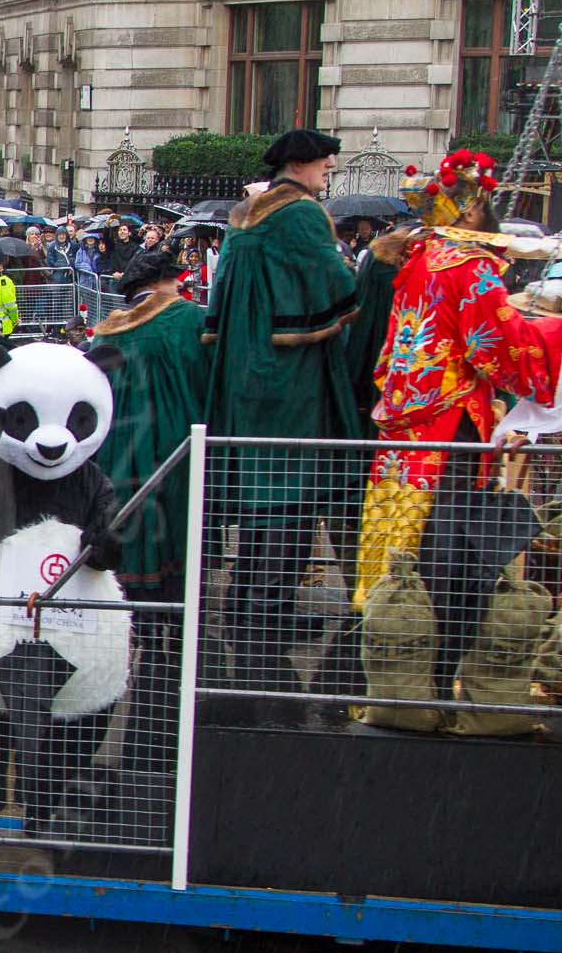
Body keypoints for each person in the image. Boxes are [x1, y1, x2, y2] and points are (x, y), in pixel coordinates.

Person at [357, 150, 562, 697]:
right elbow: (497, 346)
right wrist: (551, 334)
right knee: (443, 557)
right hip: (449, 425)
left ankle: (384, 667)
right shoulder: (469, 268)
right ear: (470, 210)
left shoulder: (420, 259)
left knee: (404, 547)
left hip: (405, 422)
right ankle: (430, 677)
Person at [202, 128, 362, 700]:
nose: (331, 169)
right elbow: (340, 286)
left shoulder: (247, 212)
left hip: (246, 373)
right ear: (301, 164)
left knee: (267, 495)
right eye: (325, 161)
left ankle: (248, 605)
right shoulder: (299, 213)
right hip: (284, 382)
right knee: (286, 495)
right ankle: (264, 616)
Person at [92, 246, 210, 762]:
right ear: (165, 282)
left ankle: (132, 633)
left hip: (119, 461)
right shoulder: (187, 320)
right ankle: (171, 654)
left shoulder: (104, 333)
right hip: (175, 459)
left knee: (131, 557)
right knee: (176, 560)